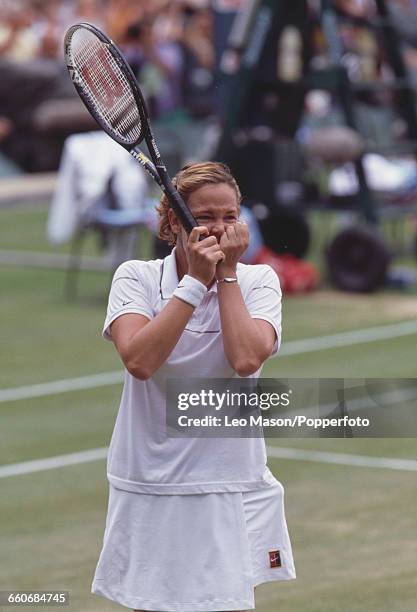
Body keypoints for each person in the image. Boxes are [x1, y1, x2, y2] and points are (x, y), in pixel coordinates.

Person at [91, 161, 296, 612]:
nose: (220, 229)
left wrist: (224, 277)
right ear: (171, 222)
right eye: (204, 217)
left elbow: (245, 358)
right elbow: (140, 361)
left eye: (230, 216)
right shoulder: (135, 278)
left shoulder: (258, 280)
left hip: (230, 485)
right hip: (149, 483)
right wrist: (194, 283)